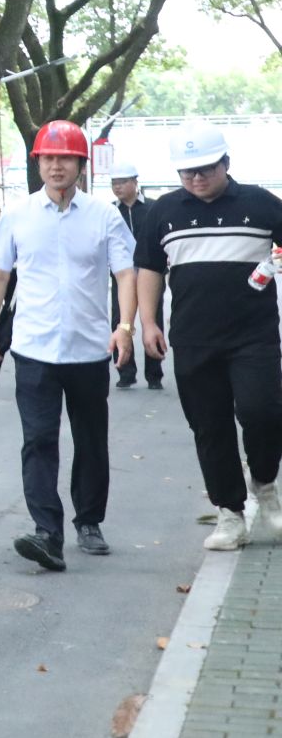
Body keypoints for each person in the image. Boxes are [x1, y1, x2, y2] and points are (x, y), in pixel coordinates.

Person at [0, 119, 137, 572]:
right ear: (38, 163)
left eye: (65, 159)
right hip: (33, 349)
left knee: (91, 439)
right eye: (49, 158)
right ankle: (46, 531)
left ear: (80, 165)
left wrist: (124, 326)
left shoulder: (104, 216)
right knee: (38, 440)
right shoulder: (18, 215)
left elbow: (125, 273)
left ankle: (89, 521)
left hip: (89, 349)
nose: (56, 166)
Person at [133, 119, 282, 550]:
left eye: (206, 169)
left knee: (263, 413)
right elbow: (149, 269)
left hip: (254, 336)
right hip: (194, 338)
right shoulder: (164, 212)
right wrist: (147, 323)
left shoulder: (260, 203)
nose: (196, 178)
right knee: (209, 427)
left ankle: (265, 482)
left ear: (226, 163)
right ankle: (230, 513)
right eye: (187, 171)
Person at [106, 156, 163, 390]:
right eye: (114, 183)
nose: (117, 187)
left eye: (122, 182)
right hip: (122, 274)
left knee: (152, 319)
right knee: (121, 320)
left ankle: (154, 374)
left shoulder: (152, 208)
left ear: (135, 182)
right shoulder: (109, 212)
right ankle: (125, 372)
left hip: (150, 273)